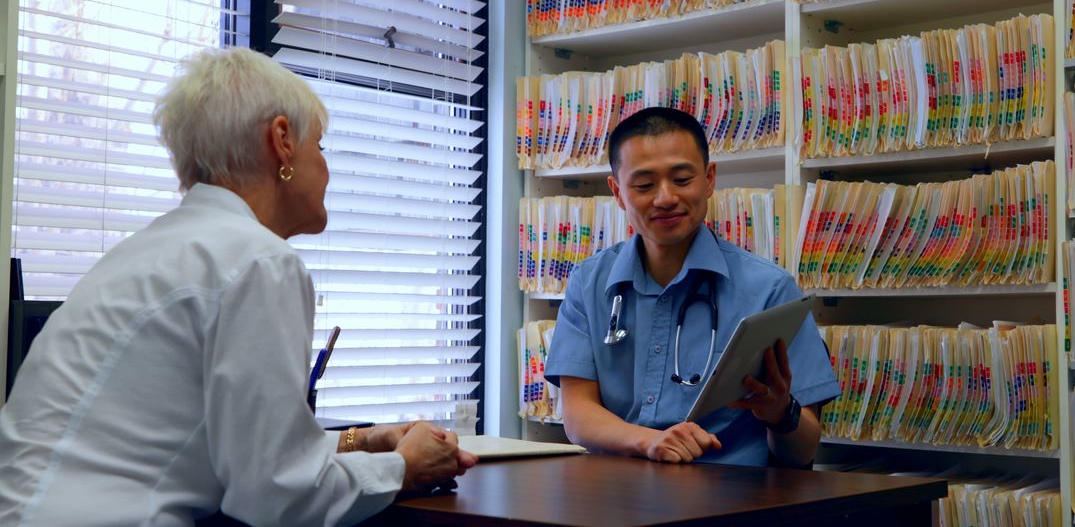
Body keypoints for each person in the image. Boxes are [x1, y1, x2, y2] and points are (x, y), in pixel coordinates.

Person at [0, 48, 477, 527]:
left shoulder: (147, 251)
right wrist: (404, 468)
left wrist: (360, 441)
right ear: (282, 140)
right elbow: (278, 497)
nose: (327, 169)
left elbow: (228, 449)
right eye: (322, 146)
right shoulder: (259, 261)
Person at [544, 107, 840, 467]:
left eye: (682, 179)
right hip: (617, 498)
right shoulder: (589, 282)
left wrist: (780, 414)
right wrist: (651, 442)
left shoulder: (769, 290)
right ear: (618, 192)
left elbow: (804, 451)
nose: (665, 198)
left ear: (710, 178)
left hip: (729, 504)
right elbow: (577, 414)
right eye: (644, 185)